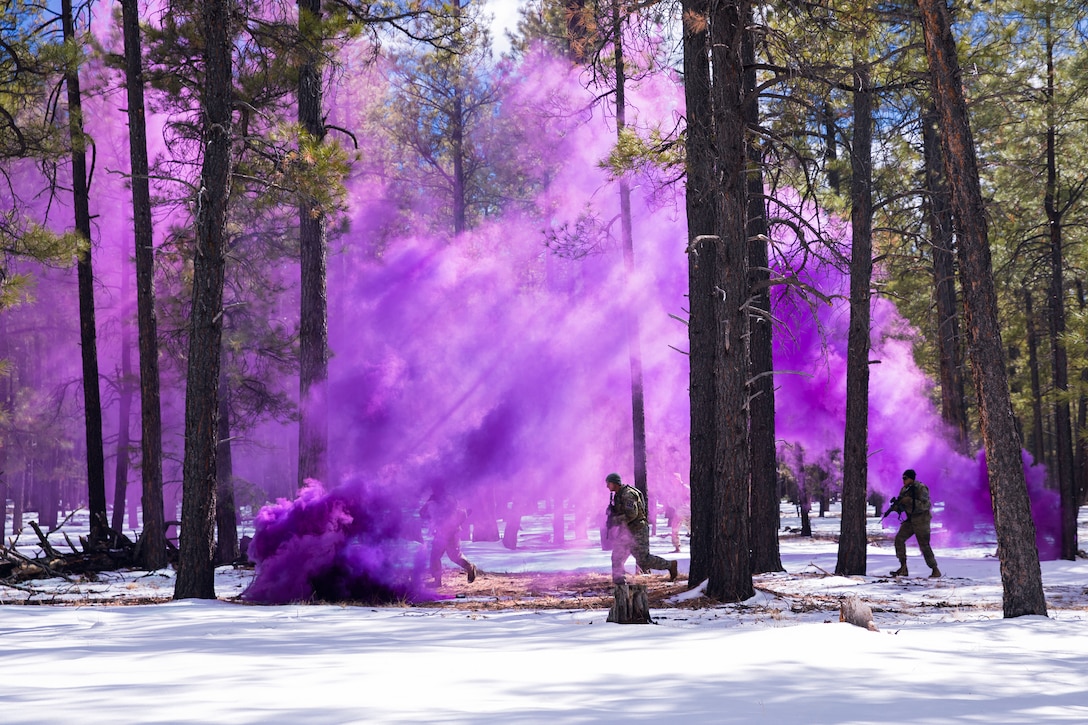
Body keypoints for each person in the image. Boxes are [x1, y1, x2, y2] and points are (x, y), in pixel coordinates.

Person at [604, 472, 678, 585]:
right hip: (626, 530)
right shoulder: (618, 494)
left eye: (608, 484)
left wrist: (615, 520)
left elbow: (632, 514)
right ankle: (619, 582)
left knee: (643, 560)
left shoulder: (628, 494)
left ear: (615, 483)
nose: (607, 486)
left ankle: (670, 565)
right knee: (617, 556)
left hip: (638, 530)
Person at [886, 469, 941, 578]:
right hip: (911, 520)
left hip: (922, 521)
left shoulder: (920, 488)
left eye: (905, 478)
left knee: (924, 545)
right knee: (899, 539)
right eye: (903, 478)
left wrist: (910, 501)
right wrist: (897, 507)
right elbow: (903, 506)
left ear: (911, 478)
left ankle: (935, 570)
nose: (903, 480)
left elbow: (926, 506)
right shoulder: (904, 490)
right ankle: (903, 568)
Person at [419, 487, 478, 587]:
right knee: (436, 557)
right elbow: (423, 513)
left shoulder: (447, 499)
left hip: (451, 533)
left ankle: (469, 567)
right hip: (442, 533)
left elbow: (456, 514)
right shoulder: (435, 500)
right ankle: (437, 581)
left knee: (453, 556)